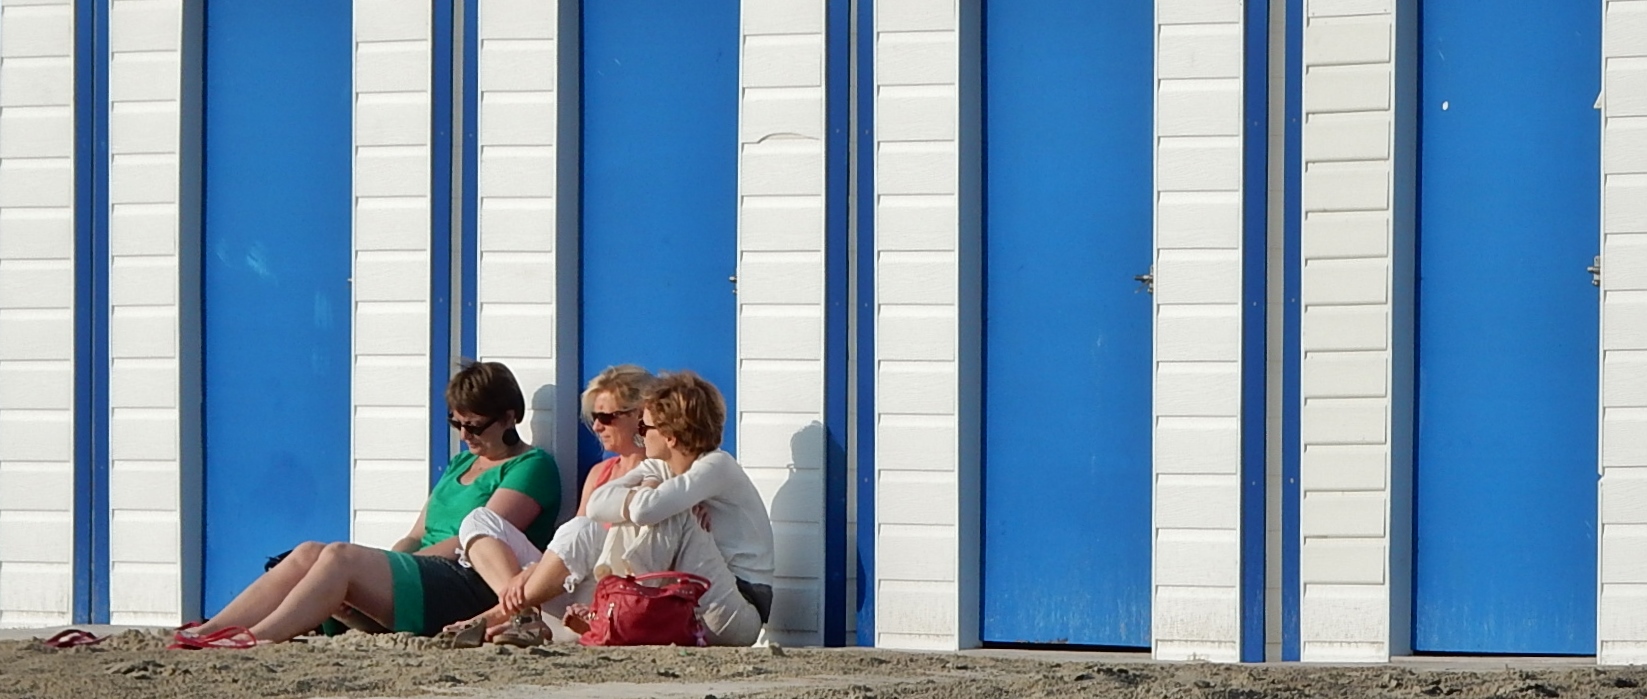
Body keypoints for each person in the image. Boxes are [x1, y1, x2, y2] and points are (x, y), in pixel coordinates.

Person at [173, 361, 560, 648]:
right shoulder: (463, 463)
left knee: (342, 557)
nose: (464, 435)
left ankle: (255, 638)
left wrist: (386, 566)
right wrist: (389, 561)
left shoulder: (531, 466)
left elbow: (474, 541)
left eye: (474, 426)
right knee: (312, 552)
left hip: (470, 583)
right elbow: (416, 535)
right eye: (456, 424)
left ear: (510, 417)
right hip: (428, 573)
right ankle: (209, 630)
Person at [442, 365, 655, 645]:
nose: (597, 426)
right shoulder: (600, 472)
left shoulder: (660, 474)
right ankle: (525, 616)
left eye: (607, 417)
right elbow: (568, 548)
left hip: (611, 595)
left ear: (639, 415)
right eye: (594, 416)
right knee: (479, 520)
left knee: (583, 528)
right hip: (567, 591)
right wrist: (536, 570)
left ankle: (498, 615)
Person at [585, 370, 776, 646]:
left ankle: (628, 603)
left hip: (739, 611)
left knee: (671, 514)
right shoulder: (661, 467)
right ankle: (619, 602)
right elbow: (596, 503)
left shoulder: (716, 466)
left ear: (669, 436)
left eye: (644, 428)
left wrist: (646, 495)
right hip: (700, 598)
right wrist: (648, 486)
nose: (641, 437)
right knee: (633, 511)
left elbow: (645, 511)